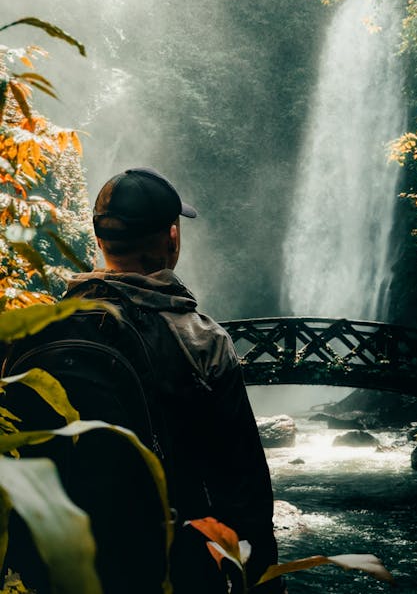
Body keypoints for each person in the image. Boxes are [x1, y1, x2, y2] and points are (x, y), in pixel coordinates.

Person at [71, 166, 283, 593]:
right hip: (173, 568)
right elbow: (245, 490)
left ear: (98, 240)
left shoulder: (35, 329)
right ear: (172, 237)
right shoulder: (202, 339)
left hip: (66, 563)